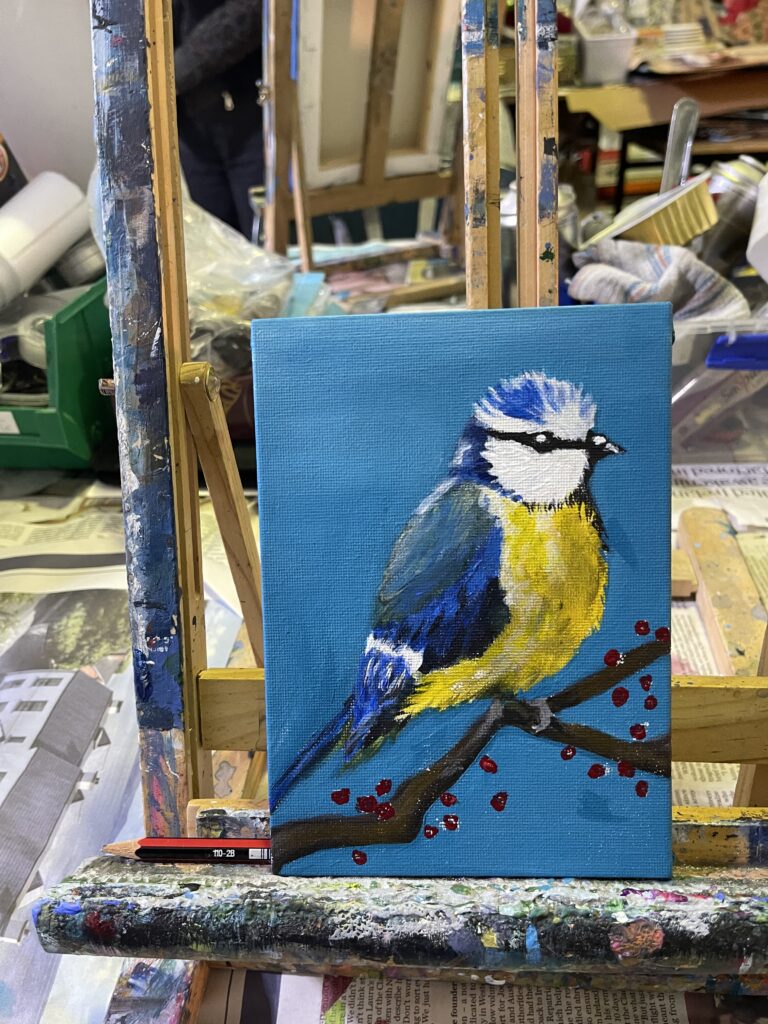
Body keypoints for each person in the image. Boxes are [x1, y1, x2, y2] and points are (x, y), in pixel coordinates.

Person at [173, 0, 264, 237]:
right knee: (220, 246)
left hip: (252, 111)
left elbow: (255, 8)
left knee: (266, 242)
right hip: (189, 127)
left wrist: (171, 72)